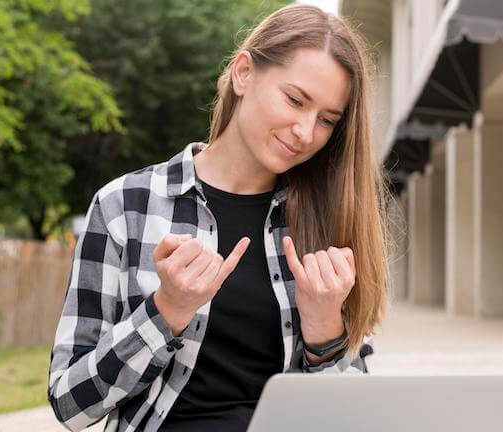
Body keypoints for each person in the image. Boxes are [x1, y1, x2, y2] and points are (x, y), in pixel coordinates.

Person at [48, 4, 391, 431]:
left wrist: (324, 329)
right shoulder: (126, 206)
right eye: (294, 99)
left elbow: (350, 419)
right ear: (244, 73)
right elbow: (70, 403)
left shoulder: (325, 222)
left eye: (326, 120)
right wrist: (166, 311)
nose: (305, 132)